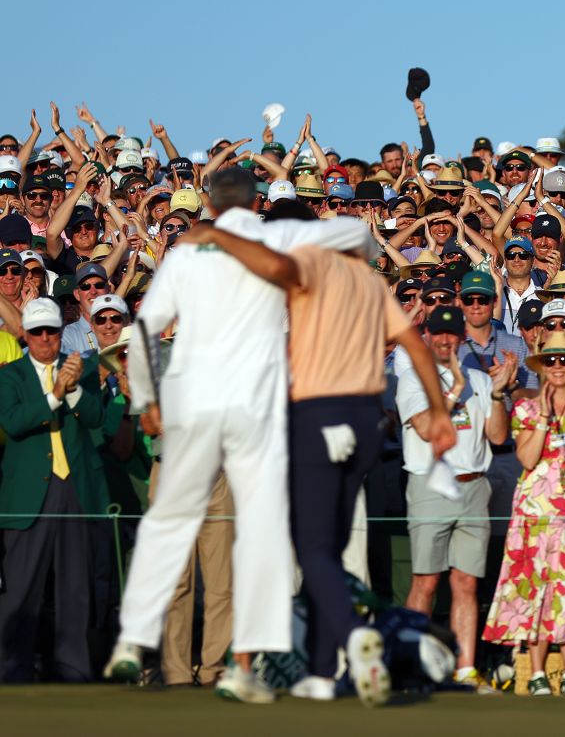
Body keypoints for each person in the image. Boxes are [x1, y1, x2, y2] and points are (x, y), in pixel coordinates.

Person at [104, 169, 413, 704]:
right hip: (284, 419)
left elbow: (148, 328)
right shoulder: (300, 256)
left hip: (240, 417)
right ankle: (274, 665)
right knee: (286, 546)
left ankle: (153, 643)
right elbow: (357, 245)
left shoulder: (215, 257)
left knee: (211, 531)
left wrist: (145, 400)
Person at [483, 333, 565, 697]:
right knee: (536, 583)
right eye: (551, 361)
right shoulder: (526, 408)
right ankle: (537, 671)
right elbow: (526, 458)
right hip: (537, 507)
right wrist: (543, 413)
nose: (558, 367)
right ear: (542, 367)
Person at [399, 306, 514, 692]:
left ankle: (465, 668)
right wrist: (452, 391)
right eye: (438, 335)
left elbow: (498, 438)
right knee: (426, 581)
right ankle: (415, 666)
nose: (445, 341)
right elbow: (430, 429)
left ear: (461, 337)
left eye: (451, 335)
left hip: (474, 485)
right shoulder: (413, 379)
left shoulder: (480, 380)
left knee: (466, 583)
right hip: (430, 485)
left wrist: (497, 395)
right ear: (426, 337)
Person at [0, 298, 107, 682]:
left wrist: (74, 389)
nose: (46, 339)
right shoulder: (9, 375)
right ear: (25, 335)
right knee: (21, 588)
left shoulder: (84, 365)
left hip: (75, 489)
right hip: (28, 493)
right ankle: (12, 671)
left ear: (62, 333)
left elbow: (94, 418)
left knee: (76, 587)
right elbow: (14, 423)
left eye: (52, 331)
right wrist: (56, 394)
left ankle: (75, 671)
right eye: (38, 332)